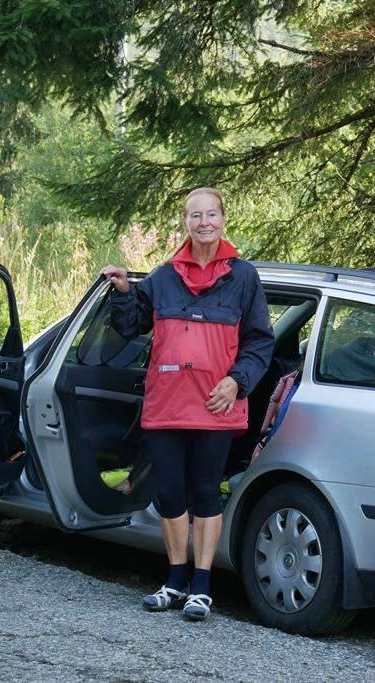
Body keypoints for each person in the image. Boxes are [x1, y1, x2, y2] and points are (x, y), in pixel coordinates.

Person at [101, 187, 274, 621]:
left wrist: (237, 382)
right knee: (168, 493)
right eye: (195, 216)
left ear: (223, 220)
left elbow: (259, 344)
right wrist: (124, 291)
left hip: (215, 407)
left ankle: (201, 587)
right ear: (185, 223)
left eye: (211, 214)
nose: (204, 223)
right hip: (167, 405)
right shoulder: (162, 276)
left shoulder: (243, 277)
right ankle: (174, 581)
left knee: (203, 492)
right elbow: (130, 326)